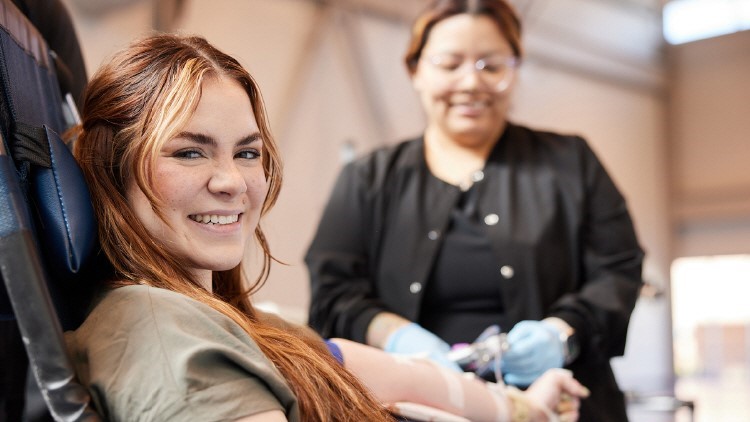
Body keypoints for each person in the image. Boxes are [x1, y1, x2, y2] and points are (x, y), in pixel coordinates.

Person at [64, 33, 589, 421]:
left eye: (248, 152)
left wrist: (521, 408)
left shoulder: (242, 325)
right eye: (188, 151)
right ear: (113, 167)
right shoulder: (161, 331)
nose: (232, 181)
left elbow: (357, 362)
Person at [305, 1, 645, 421]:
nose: (471, 82)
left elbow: (619, 270)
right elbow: (334, 292)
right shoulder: (368, 179)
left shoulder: (571, 162)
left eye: (492, 65)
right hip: (415, 409)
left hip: (561, 405)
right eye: (449, 64)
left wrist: (560, 335)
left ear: (515, 70)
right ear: (416, 70)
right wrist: (396, 337)